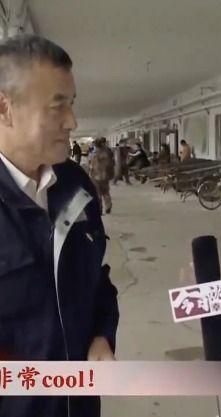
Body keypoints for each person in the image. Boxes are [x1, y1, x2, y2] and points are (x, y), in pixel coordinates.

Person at [0, 35, 119, 417]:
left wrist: (102, 333)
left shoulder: (75, 185)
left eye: (72, 103)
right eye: (57, 106)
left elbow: (97, 281)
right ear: (5, 109)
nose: (72, 121)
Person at [89, 137, 114, 214]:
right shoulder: (107, 154)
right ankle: (108, 206)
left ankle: (100, 208)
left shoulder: (93, 154)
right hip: (104, 175)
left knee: (97, 193)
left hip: (95, 176)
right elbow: (111, 164)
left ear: (95, 145)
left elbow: (90, 166)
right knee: (106, 192)